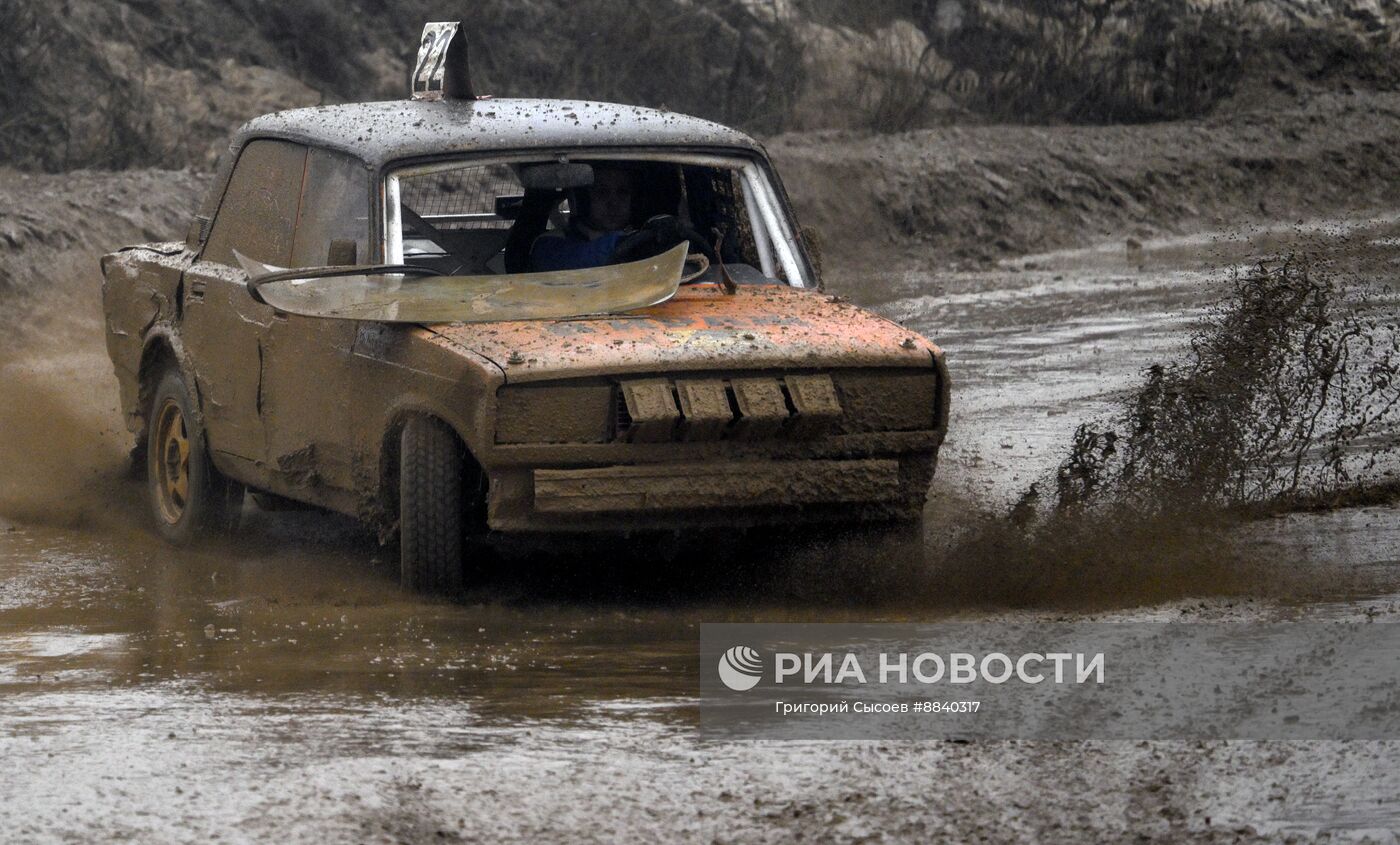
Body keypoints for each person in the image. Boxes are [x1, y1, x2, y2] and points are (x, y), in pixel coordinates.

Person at [528, 166, 636, 272]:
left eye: (623, 193)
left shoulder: (644, 235)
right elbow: (571, 261)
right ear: (581, 200)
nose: (614, 203)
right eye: (602, 193)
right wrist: (623, 242)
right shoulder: (548, 244)